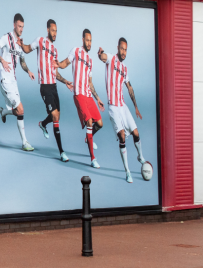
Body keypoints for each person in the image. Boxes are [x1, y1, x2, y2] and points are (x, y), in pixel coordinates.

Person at [21, 19, 74, 162]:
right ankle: (62, 152)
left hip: (54, 86)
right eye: (52, 30)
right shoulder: (40, 41)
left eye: (56, 30)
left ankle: (43, 124)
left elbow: (55, 72)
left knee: (57, 116)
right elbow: (27, 49)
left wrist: (65, 81)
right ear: (47, 30)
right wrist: (21, 44)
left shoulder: (55, 51)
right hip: (45, 87)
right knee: (55, 116)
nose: (55, 33)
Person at [98, 39, 147, 183]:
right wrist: (100, 54)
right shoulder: (111, 58)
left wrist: (136, 106)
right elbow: (103, 57)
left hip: (123, 106)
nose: (124, 52)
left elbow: (129, 88)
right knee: (122, 137)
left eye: (126, 50)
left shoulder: (125, 69)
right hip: (113, 107)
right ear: (117, 48)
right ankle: (127, 171)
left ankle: (140, 156)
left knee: (136, 133)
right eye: (122, 49)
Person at [55, 29, 105, 168]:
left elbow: (90, 83)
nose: (89, 43)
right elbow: (65, 62)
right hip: (79, 95)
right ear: (83, 39)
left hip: (89, 96)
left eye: (91, 41)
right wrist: (57, 64)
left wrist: (98, 98)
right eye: (87, 40)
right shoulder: (76, 50)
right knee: (89, 122)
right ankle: (93, 159)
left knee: (99, 124)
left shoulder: (90, 60)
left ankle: (88, 138)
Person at [0, 13, 35, 151]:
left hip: (13, 81)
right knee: (21, 109)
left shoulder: (20, 42)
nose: (21, 29)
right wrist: (2, 60)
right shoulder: (7, 38)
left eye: (23, 27)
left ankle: (4, 112)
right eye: (19, 26)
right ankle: (24, 142)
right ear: (14, 25)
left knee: (17, 112)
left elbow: (22, 61)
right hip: (5, 80)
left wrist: (28, 71)